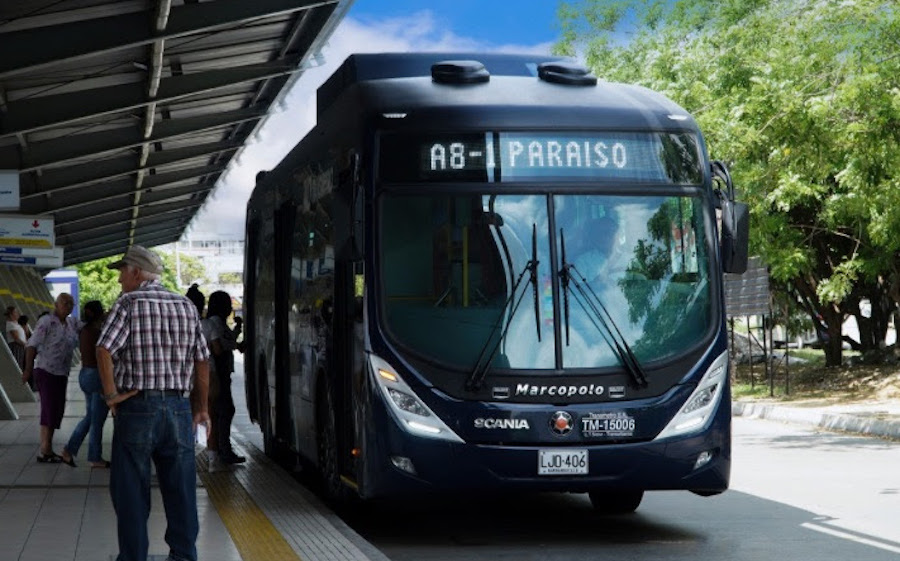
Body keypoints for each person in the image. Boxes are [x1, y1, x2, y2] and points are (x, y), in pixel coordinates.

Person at [97, 245, 210, 561]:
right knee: (182, 491)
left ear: (135, 272)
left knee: (131, 491)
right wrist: (201, 409)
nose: (120, 280)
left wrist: (110, 396)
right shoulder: (186, 305)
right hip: (178, 408)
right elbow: (202, 360)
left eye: (121, 272)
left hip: (138, 407)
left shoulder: (128, 304)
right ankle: (184, 556)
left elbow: (104, 349)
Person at [21, 293, 80, 463]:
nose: (68, 305)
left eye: (71, 303)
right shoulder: (47, 321)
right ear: (56, 304)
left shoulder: (71, 323)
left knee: (56, 410)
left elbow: (90, 326)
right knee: (48, 408)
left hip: (62, 372)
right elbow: (31, 345)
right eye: (65, 302)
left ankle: (48, 448)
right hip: (46, 371)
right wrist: (28, 370)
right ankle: (44, 450)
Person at [60, 301, 111, 468]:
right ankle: (93, 456)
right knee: (96, 420)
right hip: (97, 377)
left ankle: (70, 450)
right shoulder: (98, 333)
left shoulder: (84, 331)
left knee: (91, 416)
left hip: (85, 374)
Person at [204, 290, 245, 469]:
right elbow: (221, 346)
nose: (230, 308)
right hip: (218, 374)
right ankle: (223, 449)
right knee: (224, 410)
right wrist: (237, 343)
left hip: (221, 374)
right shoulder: (215, 323)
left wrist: (238, 330)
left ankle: (222, 448)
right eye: (227, 304)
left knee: (223, 410)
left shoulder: (218, 323)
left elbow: (229, 341)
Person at [5, 306, 27, 371]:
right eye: (15, 312)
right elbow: (16, 338)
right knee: (18, 364)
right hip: (16, 346)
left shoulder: (16, 324)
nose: (17, 314)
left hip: (21, 346)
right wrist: (25, 345)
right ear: (11, 314)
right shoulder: (10, 324)